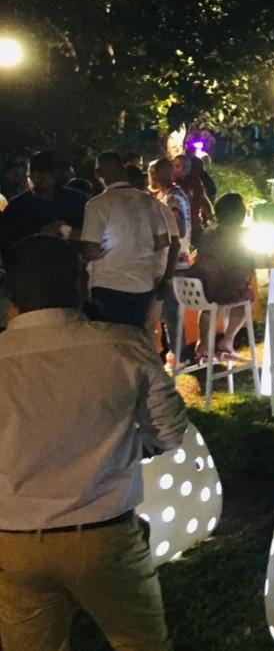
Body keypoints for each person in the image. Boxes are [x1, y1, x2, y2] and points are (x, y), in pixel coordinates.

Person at [0, 235, 188, 651]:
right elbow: (170, 433)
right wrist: (124, 447)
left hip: (15, 539)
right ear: (81, 283)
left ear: (9, 290)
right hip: (106, 535)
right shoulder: (123, 344)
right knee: (140, 643)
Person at [79, 152, 170, 330]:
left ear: (98, 173)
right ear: (124, 170)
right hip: (143, 284)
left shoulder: (97, 205)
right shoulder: (150, 202)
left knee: (111, 341)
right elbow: (162, 242)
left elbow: (91, 249)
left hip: (108, 285)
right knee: (135, 337)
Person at [190, 194, 256, 357]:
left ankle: (204, 344)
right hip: (221, 291)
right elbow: (249, 263)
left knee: (209, 306)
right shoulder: (242, 235)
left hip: (198, 289)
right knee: (246, 296)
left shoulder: (208, 234)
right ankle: (227, 340)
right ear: (240, 214)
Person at [0, 151, 89, 255]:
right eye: (33, 178)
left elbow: (96, 234)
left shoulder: (76, 200)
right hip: (32, 264)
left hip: (72, 262)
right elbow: (6, 241)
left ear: (55, 175)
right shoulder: (18, 206)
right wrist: (39, 235)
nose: (37, 182)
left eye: (42, 177)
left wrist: (64, 231)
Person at [148, 157, 192, 358]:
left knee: (171, 311)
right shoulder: (168, 195)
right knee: (168, 312)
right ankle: (176, 352)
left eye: (151, 172)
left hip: (175, 261)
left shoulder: (172, 198)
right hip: (174, 260)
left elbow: (179, 229)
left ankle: (179, 354)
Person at [173, 154, 212, 240]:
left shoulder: (195, 181)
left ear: (189, 168)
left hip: (194, 223)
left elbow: (203, 200)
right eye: (177, 166)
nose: (181, 169)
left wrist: (212, 218)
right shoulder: (169, 182)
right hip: (174, 227)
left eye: (185, 167)